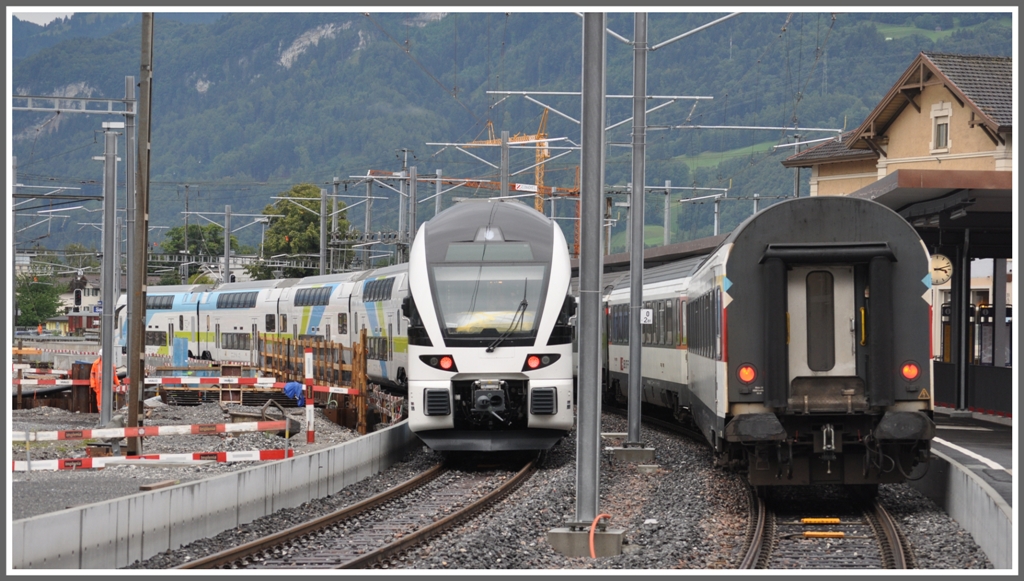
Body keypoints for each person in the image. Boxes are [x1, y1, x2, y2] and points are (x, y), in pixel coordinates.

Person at [89, 349, 121, 414]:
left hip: (107, 384)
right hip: (98, 385)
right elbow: (92, 374)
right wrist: (93, 385)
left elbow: (114, 375)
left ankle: (107, 411)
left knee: (107, 398)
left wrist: (118, 384)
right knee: (99, 399)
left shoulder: (111, 365)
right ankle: (101, 412)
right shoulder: (96, 363)